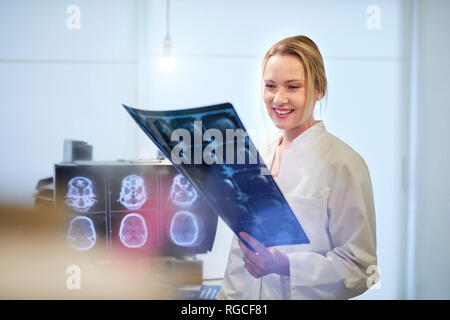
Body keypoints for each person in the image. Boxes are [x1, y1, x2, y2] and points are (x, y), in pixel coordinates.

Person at [218, 35, 378, 300]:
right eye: (271, 86)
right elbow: (239, 253)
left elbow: (361, 268)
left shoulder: (345, 164)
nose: (279, 99)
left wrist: (287, 266)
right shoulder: (256, 156)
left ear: (319, 90)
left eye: (293, 87)